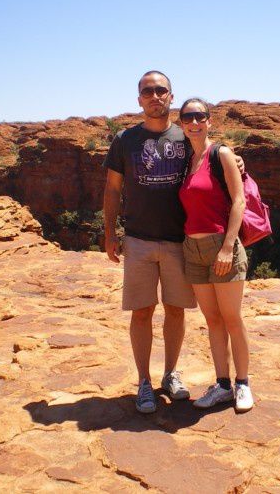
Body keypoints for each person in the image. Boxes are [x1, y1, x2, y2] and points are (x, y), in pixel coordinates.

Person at [102, 71, 244, 414]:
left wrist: (238, 159)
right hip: (137, 239)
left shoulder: (186, 134)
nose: (154, 96)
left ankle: (170, 374)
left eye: (161, 90)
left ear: (170, 96)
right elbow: (112, 189)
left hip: (179, 241)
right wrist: (109, 233)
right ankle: (143, 383)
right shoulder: (125, 140)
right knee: (142, 311)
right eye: (147, 91)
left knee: (176, 310)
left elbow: (215, 155)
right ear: (139, 99)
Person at [178, 97, 254, 412]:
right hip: (192, 249)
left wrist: (227, 247)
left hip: (221, 245)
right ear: (181, 123)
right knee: (212, 320)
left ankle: (243, 384)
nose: (194, 122)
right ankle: (222, 384)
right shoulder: (184, 159)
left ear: (209, 121)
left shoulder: (220, 154)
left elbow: (239, 201)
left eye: (200, 116)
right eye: (187, 117)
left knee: (232, 319)